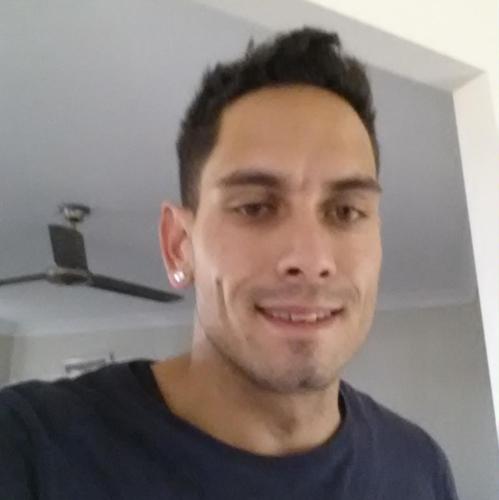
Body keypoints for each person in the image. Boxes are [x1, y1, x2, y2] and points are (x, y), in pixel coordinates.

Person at [0, 27, 459, 499]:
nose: (311, 259)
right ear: (179, 244)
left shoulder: (420, 468)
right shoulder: (27, 449)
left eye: (345, 211)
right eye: (255, 207)